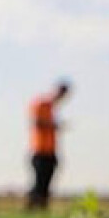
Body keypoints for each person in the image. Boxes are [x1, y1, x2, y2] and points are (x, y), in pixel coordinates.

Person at [27, 80, 70, 210]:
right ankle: (33, 208)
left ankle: (42, 208)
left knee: (46, 183)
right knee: (39, 182)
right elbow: (37, 123)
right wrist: (54, 126)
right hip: (40, 150)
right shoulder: (41, 103)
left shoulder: (52, 108)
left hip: (50, 150)